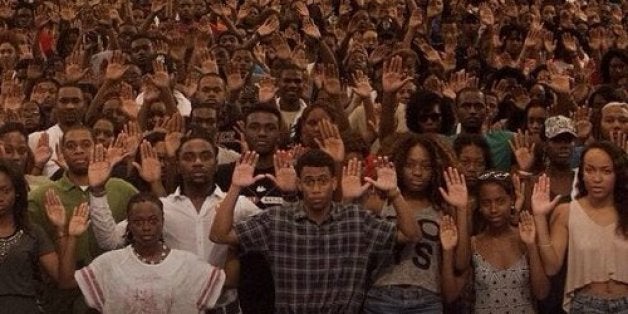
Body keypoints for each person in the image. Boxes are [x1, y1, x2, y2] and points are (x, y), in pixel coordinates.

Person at [210, 149, 421, 312]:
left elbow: (411, 235)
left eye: (322, 181)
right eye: (310, 181)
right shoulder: (277, 219)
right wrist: (235, 187)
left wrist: (394, 193)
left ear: (333, 182)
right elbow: (219, 235)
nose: (317, 188)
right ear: (300, 184)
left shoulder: (356, 220)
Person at [51, 191, 226, 313]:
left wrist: (232, 241)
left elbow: (230, 280)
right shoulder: (110, 263)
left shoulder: (188, 264)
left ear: (162, 222)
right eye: (138, 222)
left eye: (152, 220)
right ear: (129, 225)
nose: (146, 227)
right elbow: (66, 283)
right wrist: (72, 237)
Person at [28, 125, 138, 313]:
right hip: (61, 300)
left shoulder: (123, 190)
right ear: (61, 152)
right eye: (71, 146)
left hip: (115, 296)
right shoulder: (41, 196)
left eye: (86, 144)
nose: (78, 150)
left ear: (96, 147)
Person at [364, 134, 468, 313]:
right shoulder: (379, 202)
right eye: (410, 165)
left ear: (435, 169)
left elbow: (461, 263)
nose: (418, 172)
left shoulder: (442, 208)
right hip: (382, 294)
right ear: (398, 166)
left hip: (426, 298)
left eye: (425, 166)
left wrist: (462, 209)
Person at [532, 142, 628, 313]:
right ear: (581, 173)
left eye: (606, 171)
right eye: (590, 170)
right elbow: (552, 266)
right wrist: (539, 218)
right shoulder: (567, 212)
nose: (597, 179)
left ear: (618, 174)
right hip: (586, 305)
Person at [441, 170, 550, 313]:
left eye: (500, 201)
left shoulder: (526, 238)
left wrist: (531, 246)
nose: (493, 209)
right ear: (479, 206)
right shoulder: (474, 244)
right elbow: (450, 294)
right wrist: (447, 251)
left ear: (511, 200)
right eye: (486, 203)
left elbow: (542, 293)